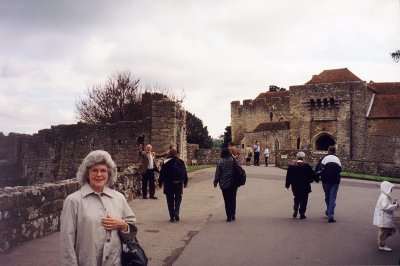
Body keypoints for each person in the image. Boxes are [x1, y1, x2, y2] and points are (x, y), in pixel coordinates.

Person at [60, 150, 137, 266]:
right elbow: (67, 241)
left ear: (109, 174)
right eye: (94, 170)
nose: (99, 174)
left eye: (103, 170)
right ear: (87, 173)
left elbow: (131, 230)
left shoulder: (118, 198)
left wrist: (122, 225)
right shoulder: (73, 201)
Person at [285, 152, 318, 219]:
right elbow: (312, 174)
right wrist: (316, 179)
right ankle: (302, 213)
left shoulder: (292, 166)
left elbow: (288, 176)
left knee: (296, 197)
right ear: (304, 158)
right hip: (304, 185)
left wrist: (287, 184)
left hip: (295, 185)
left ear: (297, 157)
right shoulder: (306, 166)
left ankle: (296, 208)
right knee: (304, 199)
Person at [158, 148, 188, 222]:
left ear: (169, 154)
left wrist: (160, 182)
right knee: (178, 198)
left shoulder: (166, 163)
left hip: (168, 184)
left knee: (170, 200)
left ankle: (172, 216)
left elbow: (162, 174)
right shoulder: (180, 162)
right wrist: (185, 182)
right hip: (178, 183)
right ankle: (176, 212)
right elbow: (184, 172)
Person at [373, 181, 399, 252]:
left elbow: (386, 205)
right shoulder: (384, 197)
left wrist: (393, 203)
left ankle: (381, 240)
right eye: (390, 188)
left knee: (386, 230)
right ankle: (381, 244)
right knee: (385, 231)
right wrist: (395, 205)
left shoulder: (384, 196)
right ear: (386, 188)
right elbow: (386, 207)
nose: (391, 190)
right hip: (384, 217)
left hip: (385, 217)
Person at [214, 148, 239, 222]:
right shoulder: (233, 160)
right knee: (233, 199)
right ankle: (233, 214)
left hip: (224, 183)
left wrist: (215, 182)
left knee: (227, 200)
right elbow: (238, 168)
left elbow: (217, 174)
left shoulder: (220, 162)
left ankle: (228, 217)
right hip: (233, 182)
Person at [320, 146, 342, 223]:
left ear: (328, 151)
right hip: (335, 181)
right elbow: (340, 169)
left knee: (327, 196)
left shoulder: (325, 158)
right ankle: (330, 215)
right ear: (335, 151)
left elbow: (321, 168)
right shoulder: (337, 159)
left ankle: (329, 211)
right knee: (332, 198)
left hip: (325, 180)